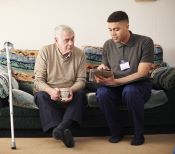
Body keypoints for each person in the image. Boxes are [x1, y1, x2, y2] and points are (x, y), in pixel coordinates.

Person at [95, 11, 154, 146]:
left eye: (116, 29)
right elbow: (106, 65)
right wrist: (102, 70)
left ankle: (138, 134)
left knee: (130, 91)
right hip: (115, 85)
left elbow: (142, 72)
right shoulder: (108, 44)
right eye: (110, 30)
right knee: (102, 93)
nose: (112, 34)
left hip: (138, 84)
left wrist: (117, 81)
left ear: (127, 26)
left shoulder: (145, 42)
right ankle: (116, 132)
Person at [34, 25, 87, 148]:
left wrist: (71, 90)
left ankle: (60, 129)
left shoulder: (80, 54)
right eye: (66, 40)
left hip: (70, 94)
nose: (71, 43)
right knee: (41, 95)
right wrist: (50, 91)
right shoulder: (45, 51)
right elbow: (38, 81)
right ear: (56, 40)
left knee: (81, 94)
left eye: (73, 39)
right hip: (49, 94)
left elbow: (81, 81)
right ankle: (64, 131)